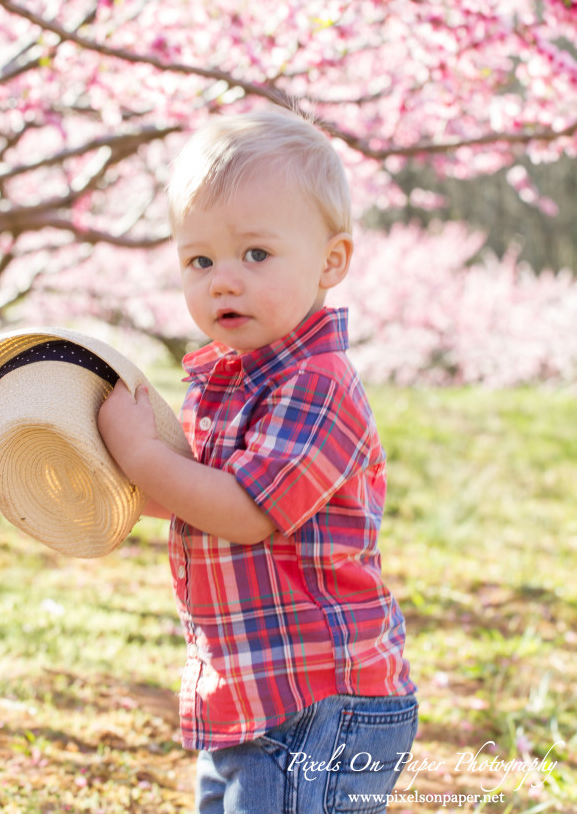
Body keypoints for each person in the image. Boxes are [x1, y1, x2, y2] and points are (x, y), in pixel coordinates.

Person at [97, 107, 418, 814]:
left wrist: (139, 451)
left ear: (330, 262)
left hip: (320, 706)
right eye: (199, 260)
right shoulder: (232, 381)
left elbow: (243, 513)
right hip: (250, 692)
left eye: (256, 255)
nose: (222, 281)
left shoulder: (316, 384)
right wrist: (105, 478)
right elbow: (194, 494)